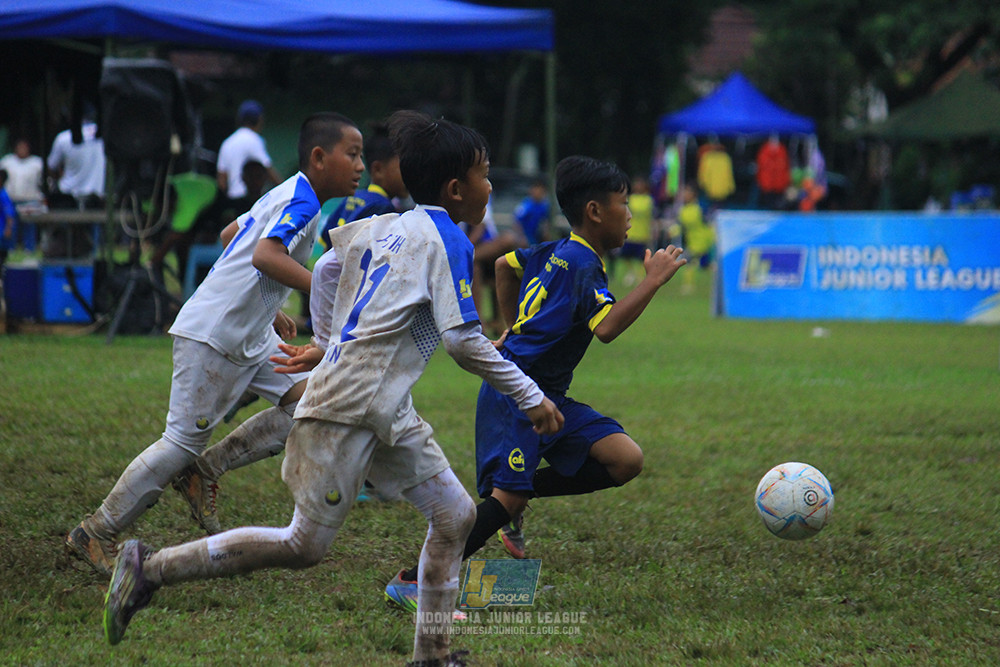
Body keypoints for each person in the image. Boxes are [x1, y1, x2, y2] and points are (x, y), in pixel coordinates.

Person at [101, 110, 563, 667]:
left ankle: (433, 656)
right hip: (350, 405)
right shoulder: (448, 240)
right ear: (457, 189)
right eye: (486, 175)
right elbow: (464, 341)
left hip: (383, 406)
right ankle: (147, 568)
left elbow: (326, 272)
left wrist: (331, 341)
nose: (491, 186)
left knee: (456, 516)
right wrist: (530, 396)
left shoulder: (391, 225)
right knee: (304, 546)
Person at [65, 112, 365, 574]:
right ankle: (96, 531)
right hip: (216, 333)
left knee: (317, 398)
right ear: (320, 157)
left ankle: (206, 470)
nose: (360, 165)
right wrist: (320, 288)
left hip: (249, 332)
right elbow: (265, 254)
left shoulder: (290, 192)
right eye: (354, 154)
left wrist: (268, 302)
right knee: (180, 441)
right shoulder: (302, 203)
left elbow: (233, 237)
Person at [385, 155, 686, 610]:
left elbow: (505, 266)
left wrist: (512, 328)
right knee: (504, 499)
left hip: (548, 396)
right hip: (517, 396)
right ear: (595, 211)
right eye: (624, 204)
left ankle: (520, 491)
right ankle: (413, 580)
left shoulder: (555, 249)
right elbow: (605, 328)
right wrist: (654, 281)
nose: (631, 214)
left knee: (625, 459)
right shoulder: (583, 264)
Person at [317, 121, 408, 251]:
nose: (410, 173)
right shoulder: (383, 208)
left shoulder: (352, 197)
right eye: (404, 168)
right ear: (378, 170)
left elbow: (327, 247)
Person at [216, 100, 282, 213]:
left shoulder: (227, 142)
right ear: (260, 119)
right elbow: (267, 170)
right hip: (250, 202)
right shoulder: (254, 140)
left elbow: (221, 181)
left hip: (232, 202)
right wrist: (285, 190)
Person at [46, 107, 106, 210]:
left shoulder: (63, 138)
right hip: (88, 198)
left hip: (72, 197)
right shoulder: (104, 136)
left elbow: (51, 167)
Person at [0, 138, 45, 251]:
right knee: (11, 225)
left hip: (30, 199)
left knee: (29, 226)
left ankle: (29, 249)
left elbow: (42, 182)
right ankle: (9, 249)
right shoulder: (7, 162)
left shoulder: (37, 163)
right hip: (11, 199)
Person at [676, 183, 715, 294]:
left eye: (687, 192)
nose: (685, 195)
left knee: (689, 261)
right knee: (704, 265)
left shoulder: (700, 208)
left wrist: (710, 238)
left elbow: (708, 224)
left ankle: (688, 286)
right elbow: (681, 226)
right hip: (692, 241)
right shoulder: (683, 210)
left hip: (702, 241)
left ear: (694, 194)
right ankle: (714, 283)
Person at [512, 178, 551, 245]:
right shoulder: (526, 205)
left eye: (540, 191)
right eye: (536, 190)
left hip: (538, 236)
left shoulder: (545, 205)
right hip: (526, 237)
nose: (537, 192)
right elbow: (517, 222)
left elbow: (547, 221)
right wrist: (521, 237)